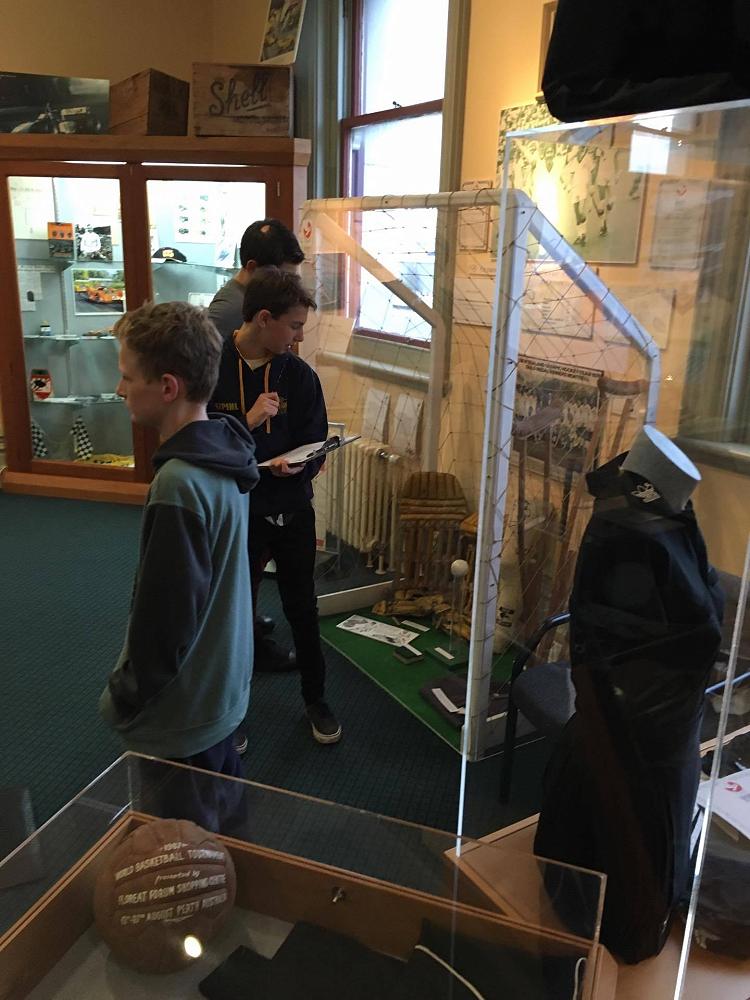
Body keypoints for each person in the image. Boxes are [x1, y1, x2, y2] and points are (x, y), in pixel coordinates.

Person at [99, 300, 259, 784]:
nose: (120, 389)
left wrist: (124, 696)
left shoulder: (179, 483)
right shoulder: (227, 452)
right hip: (220, 692)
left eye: (128, 377)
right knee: (220, 820)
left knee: (179, 832)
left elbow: (165, 620)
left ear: (168, 387)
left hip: (180, 717)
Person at [210, 267, 342, 746]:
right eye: (294, 326)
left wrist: (301, 467)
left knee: (302, 607)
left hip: (291, 508)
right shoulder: (211, 366)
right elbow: (199, 440)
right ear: (264, 318)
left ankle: (316, 699)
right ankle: (231, 712)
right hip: (238, 510)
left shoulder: (299, 376)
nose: (299, 337)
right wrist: (247, 420)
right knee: (234, 613)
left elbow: (317, 443)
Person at [210, 218, 305, 677]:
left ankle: (247, 625)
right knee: (236, 567)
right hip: (234, 475)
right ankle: (242, 644)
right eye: (280, 277)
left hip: (254, 471)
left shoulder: (241, 307)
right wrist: (246, 423)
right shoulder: (226, 321)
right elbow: (206, 414)